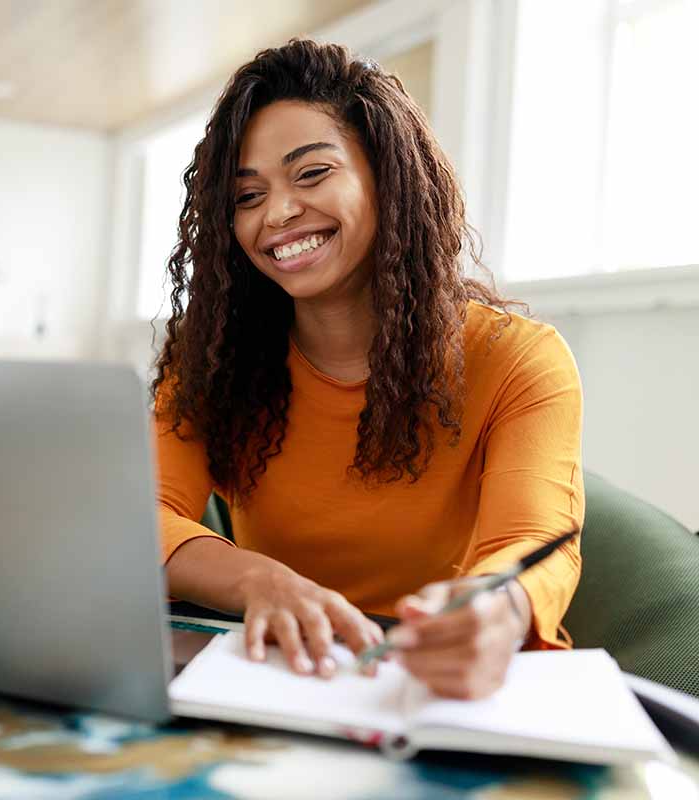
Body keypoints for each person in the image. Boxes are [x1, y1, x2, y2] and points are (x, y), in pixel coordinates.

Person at [152, 39, 583, 700]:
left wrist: (497, 611)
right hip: (275, 679)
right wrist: (260, 580)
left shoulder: (519, 359)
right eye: (246, 195)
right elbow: (144, 513)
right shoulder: (212, 359)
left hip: (437, 691)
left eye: (312, 173)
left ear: (388, 173)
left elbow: (533, 542)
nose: (278, 213)